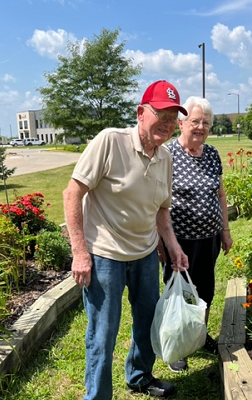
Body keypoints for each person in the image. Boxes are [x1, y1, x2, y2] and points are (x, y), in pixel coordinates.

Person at [63, 80, 189, 400]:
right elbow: (72, 194)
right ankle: (99, 396)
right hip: (105, 254)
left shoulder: (165, 158)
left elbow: (162, 211)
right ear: (140, 113)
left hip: (145, 252)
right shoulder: (110, 141)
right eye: (161, 113)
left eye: (173, 117)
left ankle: (139, 376)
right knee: (103, 334)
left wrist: (173, 247)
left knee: (147, 321)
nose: (168, 123)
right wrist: (80, 252)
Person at [160, 96, 233, 373]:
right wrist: (162, 241)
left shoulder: (212, 154)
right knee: (179, 293)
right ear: (182, 123)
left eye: (206, 123)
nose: (200, 127)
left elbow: (220, 193)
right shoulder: (168, 155)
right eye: (195, 121)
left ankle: (198, 336)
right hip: (179, 241)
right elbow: (157, 202)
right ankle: (177, 345)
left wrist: (225, 231)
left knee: (206, 290)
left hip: (210, 238)